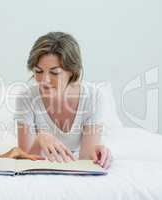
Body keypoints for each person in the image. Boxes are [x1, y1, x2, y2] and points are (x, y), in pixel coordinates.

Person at [15, 32, 112, 169]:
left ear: (72, 71)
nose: (44, 80)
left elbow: (84, 161)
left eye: (54, 73)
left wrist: (98, 155)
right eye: (38, 71)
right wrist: (39, 140)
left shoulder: (92, 97)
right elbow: (24, 161)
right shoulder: (26, 98)